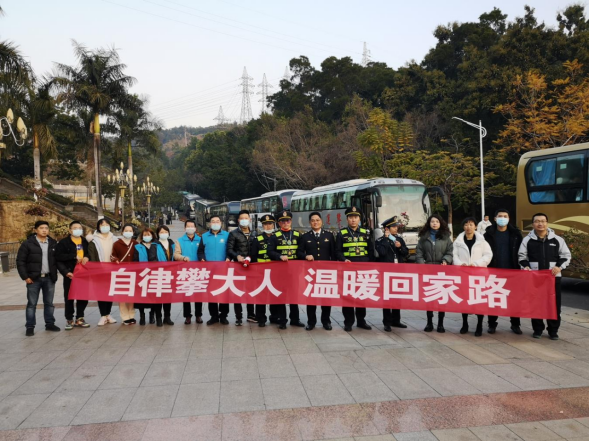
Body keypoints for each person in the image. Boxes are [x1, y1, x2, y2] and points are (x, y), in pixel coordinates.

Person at [519, 213, 571, 341]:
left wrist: (559, 267)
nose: (540, 224)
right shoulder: (527, 240)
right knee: (536, 304)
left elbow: (566, 256)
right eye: (537, 221)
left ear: (547, 223)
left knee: (554, 305)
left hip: (553, 277)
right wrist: (526, 267)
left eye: (543, 221)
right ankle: (537, 329)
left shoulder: (557, 240)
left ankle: (553, 331)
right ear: (533, 224)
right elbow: (522, 257)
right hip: (534, 278)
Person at [17, 221, 60, 337]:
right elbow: (20, 261)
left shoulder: (53, 243)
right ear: (35, 230)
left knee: (49, 303)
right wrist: (25, 277)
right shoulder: (28, 244)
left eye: (46, 228)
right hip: (33, 279)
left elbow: (58, 260)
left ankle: (50, 324)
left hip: (49, 278)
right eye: (41, 228)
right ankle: (30, 326)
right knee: (32, 304)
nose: (44, 230)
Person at [484, 209, 524, 335]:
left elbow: (521, 252)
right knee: (493, 298)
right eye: (500, 216)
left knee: (514, 299)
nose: (502, 218)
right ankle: (492, 324)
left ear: (509, 218)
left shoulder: (516, 234)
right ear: (495, 218)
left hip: (512, 271)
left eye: (505, 216)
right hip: (494, 271)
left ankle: (515, 324)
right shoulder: (488, 235)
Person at [335, 207, 374, 332]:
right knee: (348, 296)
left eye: (356, 217)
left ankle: (361, 321)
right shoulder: (341, 233)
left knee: (362, 295)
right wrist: (344, 259)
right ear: (347, 219)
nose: (353, 220)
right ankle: (348, 322)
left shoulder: (365, 232)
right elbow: (338, 251)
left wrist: (369, 264)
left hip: (363, 269)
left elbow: (370, 250)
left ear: (359, 219)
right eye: (351, 217)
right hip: (348, 270)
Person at [454, 217, 493, 337]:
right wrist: (460, 264)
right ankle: (464, 324)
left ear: (476, 226)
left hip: (479, 275)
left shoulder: (482, 241)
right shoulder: (458, 242)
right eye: (466, 224)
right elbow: (454, 255)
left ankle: (479, 325)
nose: (468, 227)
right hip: (463, 275)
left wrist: (476, 264)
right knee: (464, 300)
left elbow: (488, 255)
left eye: (471, 224)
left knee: (479, 301)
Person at [297, 212, 335, 331]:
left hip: (326, 273)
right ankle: (311, 322)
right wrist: (305, 256)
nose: (315, 222)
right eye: (313, 220)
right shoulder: (305, 237)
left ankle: (326, 321)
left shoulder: (329, 236)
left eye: (317, 220)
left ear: (321, 221)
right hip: (311, 273)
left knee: (326, 298)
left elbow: (333, 254)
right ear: (310, 222)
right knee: (311, 298)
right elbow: (299, 252)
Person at [416, 215, 454, 334]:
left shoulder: (446, 237)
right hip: (428, 271)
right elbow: (419, 253)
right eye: (432, 221)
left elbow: (450, 252)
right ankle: (429, 322)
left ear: (440, 223)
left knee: (441, 297)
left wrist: (446, 260)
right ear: (429, 223)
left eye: (437, 221)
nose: (434, 223)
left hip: (441, 271)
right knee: (429, 297)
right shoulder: (424, 237)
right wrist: (422, 265)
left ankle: (441, 323)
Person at [268, 211, 305, 330]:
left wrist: (305, 257)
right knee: (281, 296)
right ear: (279, 223)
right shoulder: (274, 236)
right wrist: (279, 256)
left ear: (291, 221)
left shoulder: (298, 235)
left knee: (294, 296)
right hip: (280, 271)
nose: (285, 223)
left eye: (287, 220)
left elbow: (301, 251)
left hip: (294, 271)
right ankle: (282, 320)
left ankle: (295, 319)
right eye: (283, 221)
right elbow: (270, 252)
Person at [375, 216, 409, 332]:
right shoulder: (379, 241)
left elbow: (406, 253)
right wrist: (386, 239)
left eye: (396, 226)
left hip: (398, 272)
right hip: (386, 273)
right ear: (387, 229)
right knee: (387, 298)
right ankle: (387, 322)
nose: (396, 228)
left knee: (397, 296)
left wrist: (400, 247)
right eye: (393, 227)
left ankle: (396, 320)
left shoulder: (399, 239)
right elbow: (382, 253)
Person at [55, 221, 91, 331]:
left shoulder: (84, 241)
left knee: (83, 296)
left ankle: (80, 317)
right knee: (69, 297)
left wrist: (87, 257)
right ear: (70, 230)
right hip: (70, 273)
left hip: (83, 273)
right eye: (75, 228)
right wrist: (66, 271)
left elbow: (89, 253)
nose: (78, 230)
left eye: (79, 228)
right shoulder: (64, 242)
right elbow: (58, 257)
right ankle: (69, 319)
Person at [198, 216, 232, 325]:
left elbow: (231, 249)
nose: (215, 223)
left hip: (224, 270)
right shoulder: (204, 236)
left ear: (221, 223)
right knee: (211, 293)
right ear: (209, 224)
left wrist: (229, 257)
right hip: (210, 270)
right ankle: (214, 316)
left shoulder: (227, 235)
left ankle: (223, 316)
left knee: (224, 293)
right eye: (213, 221)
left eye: (217, 221)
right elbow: (200, 251)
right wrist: (202, 258)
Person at [227, 210, 256, 323]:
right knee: (237, 292)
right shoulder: (233, 234)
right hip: (238, 267)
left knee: (251, 291)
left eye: (246, 218)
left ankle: (251, 315)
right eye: (242, 218)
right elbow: (229, 249)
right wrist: (237, 256)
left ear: (250, 219)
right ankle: (238, 317)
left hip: (252, 267)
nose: (244, 220)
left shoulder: (255, 233)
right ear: (238, 220)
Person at [89, 219, 118, 326]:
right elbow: (92, 256)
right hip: (100, 271)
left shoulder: (115, 239)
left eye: (107, 224)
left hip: (112, 270)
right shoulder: (94, 241)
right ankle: (103, 315)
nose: (105, 226)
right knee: (101, 293)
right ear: (98, 227)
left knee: (110, 293)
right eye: (102, 225)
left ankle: (108, 314)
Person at [174, 220, 203, 325]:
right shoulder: (179, 241)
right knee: (186, 295)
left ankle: (198, 315)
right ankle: (187, 316)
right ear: (184, 228)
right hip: (185, 271)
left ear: (195, 228)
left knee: (198, 294)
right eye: (188, 226)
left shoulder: (200, 240)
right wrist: (183, 258)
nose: (190, 228)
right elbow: (176, 254)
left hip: (199, 271)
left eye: (192, 226)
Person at [252, 215, 278, 327]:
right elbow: (253, 256)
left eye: (270, 224)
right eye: (265, 224)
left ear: (273, 225)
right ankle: (261, 318)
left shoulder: (278, 237)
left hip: (275, 272)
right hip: (261, 272)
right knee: (261, 295)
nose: (268, 226)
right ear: (262, 226)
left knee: (274, 295)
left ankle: (274, 316)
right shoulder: (257, 239)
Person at [111, 224, 138, 325]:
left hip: (133, 273)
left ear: (133, 232)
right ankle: (124, 316)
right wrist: (116, 260)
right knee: (122, 295)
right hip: (121, 273)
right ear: (122, 232)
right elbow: (112, 256)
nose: (128, 232)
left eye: (130, 231)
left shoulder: (135, 243)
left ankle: (131, 315)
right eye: (126, 230)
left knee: (131, 295)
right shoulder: (117, 244)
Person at [152, 225, 175, 326]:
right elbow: (152, 259)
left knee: (168, 297)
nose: (164, 234)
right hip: (159, 274)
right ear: (158, 234)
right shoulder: (154, 245)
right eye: (161, 232)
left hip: (170, 274)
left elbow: (175, 257)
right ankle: (158, 317)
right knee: (158, 297)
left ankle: (167, 317)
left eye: (165, 232)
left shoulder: (172, 244)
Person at [134, 228, 157, 326]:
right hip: (142, 274)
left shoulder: (156, 246)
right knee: (141, 296)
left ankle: (152, 314)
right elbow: (135, 260)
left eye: (149, 234)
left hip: (154, 274)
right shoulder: (137, 247)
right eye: (145, 235)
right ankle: (142, 315)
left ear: (152, 236)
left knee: (153, 295)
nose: (147, 236)